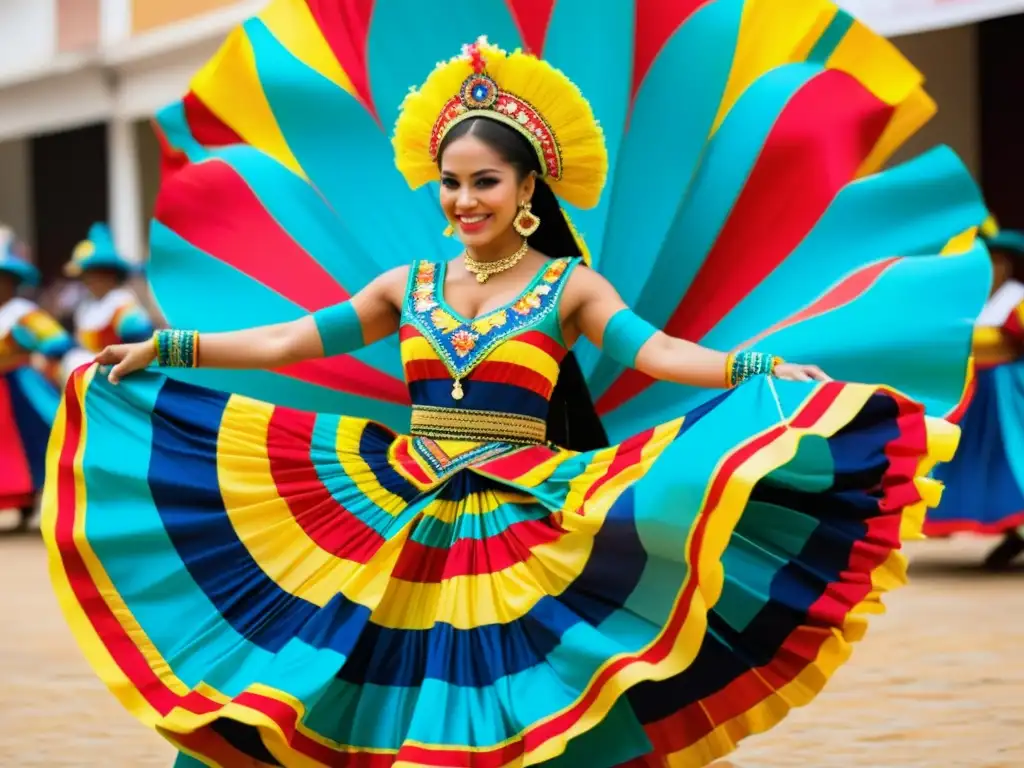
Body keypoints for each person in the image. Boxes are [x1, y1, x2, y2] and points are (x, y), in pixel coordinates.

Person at [44, 3, 990, 767]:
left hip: (523, 503)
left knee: (521, 685)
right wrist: (172, 348)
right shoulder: (406, 285)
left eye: (485, 182)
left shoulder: (565, 285)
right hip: (400, 498)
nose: (463, 202)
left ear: (528, 187)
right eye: (450, 182)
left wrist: (756, 367)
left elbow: (655, 355)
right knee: (375, 673)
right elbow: (291, 340)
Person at [927, 216, 1024, 569]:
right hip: (977, 395)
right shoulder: (973, 303)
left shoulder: (1017, 300)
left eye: (994, 261)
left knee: (1015, 461)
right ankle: (1012, 534)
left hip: (1010, 396)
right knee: (981, 467)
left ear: (1006, 264)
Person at [0, 230, 72, 531]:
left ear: (13, 283)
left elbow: (57, 340)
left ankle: (40, 504)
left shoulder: (22, 313)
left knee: (36, 438)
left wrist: (28, 343)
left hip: (21, 386)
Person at [59, 222, 154, 378]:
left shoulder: (121, 304)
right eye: (87, 276)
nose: (91, 282)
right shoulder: (85, 307)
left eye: (97, 275)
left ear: (111, 276)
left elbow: (141, 340)